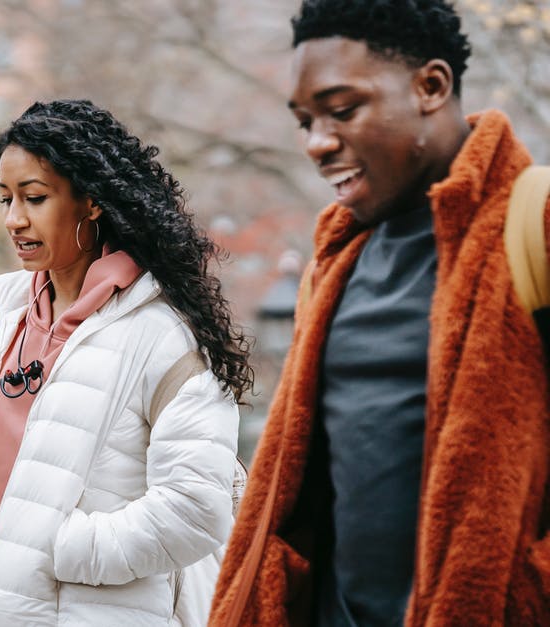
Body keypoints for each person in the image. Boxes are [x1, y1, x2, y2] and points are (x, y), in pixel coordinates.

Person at [210, 1, 550, 625]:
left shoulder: (536, 223)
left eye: (343, 110)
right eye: (305, 120)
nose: (318, 142)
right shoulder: (335, 262)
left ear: (431, 86)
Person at [0, 99, 251, 626]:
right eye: (5, 199)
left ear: (92, 202)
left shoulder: (161, 333)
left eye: (35, 198)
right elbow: (2, 524)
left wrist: (60, 547)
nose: (13, 219)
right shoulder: (15, 322)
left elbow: (195, 510)